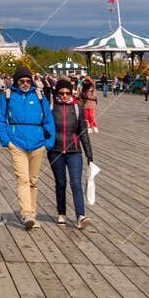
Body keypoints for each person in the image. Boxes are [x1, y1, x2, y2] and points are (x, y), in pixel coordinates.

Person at [0, 65, 55, 229]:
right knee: (23, 179)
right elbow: (0, 119)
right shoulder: (7, 95)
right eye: (22, 81)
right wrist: (6, 141)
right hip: (17, 142)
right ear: (16, 81)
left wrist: (48, 143)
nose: (25, 83)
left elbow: (48, 119)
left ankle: (32, 214)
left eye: (28, 81)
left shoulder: (39, 95)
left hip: (38, 143)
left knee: (33, 180)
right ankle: (26, 213)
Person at [46, 78, 91, 229]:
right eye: (61, 93)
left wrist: (89, 154)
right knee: (60, 183)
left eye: (67, 92)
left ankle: (81, 216)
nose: (65, 95)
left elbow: (83, 132)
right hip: (56, 151)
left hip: (74, 151)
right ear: (57, 93)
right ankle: (61, 213)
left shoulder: (77, 108)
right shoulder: (51, 107)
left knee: (76, 183)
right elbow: (44, 128)